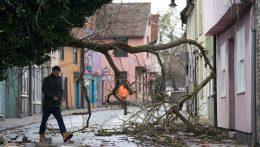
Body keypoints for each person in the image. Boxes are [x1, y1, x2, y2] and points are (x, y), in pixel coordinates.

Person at [39, 66, 73, 142]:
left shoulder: (60, 79)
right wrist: (52, 96)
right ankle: (41, 134)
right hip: (47, 105)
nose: (57, 72)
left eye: (58, 71)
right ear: (53, 71)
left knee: (60, 120)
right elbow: (44, 89)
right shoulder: (47, 79)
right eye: (55, 71)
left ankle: (64, 134)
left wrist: (60, 100)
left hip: (56, 105)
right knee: (44, 120)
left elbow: (61, 91)